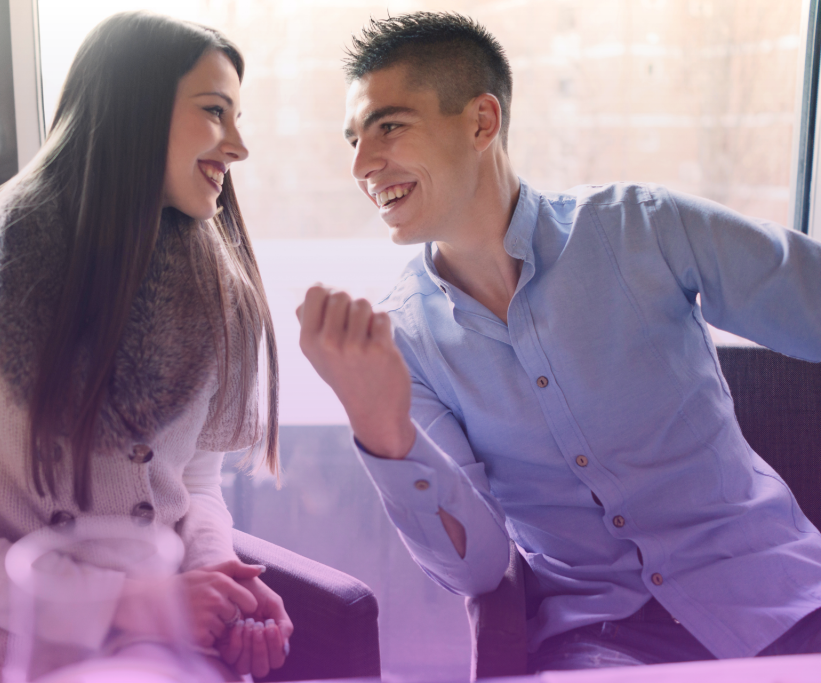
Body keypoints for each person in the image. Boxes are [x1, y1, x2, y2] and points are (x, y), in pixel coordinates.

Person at [297, 10, 821, 672]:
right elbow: (479, 570)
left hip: (784, 598)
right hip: (603, 641)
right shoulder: (402, 340)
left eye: (389, 126)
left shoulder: (643, 227)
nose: (362, 164)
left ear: (482, 121)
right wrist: (384, 428)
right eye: (353, 138)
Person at [0, 12, 292, 683]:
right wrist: (122, 602)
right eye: (214, 111)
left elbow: (194, 485)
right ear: (131, 115)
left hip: (167, 644)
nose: (238, 145)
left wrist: (215, 580)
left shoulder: (223, 301)